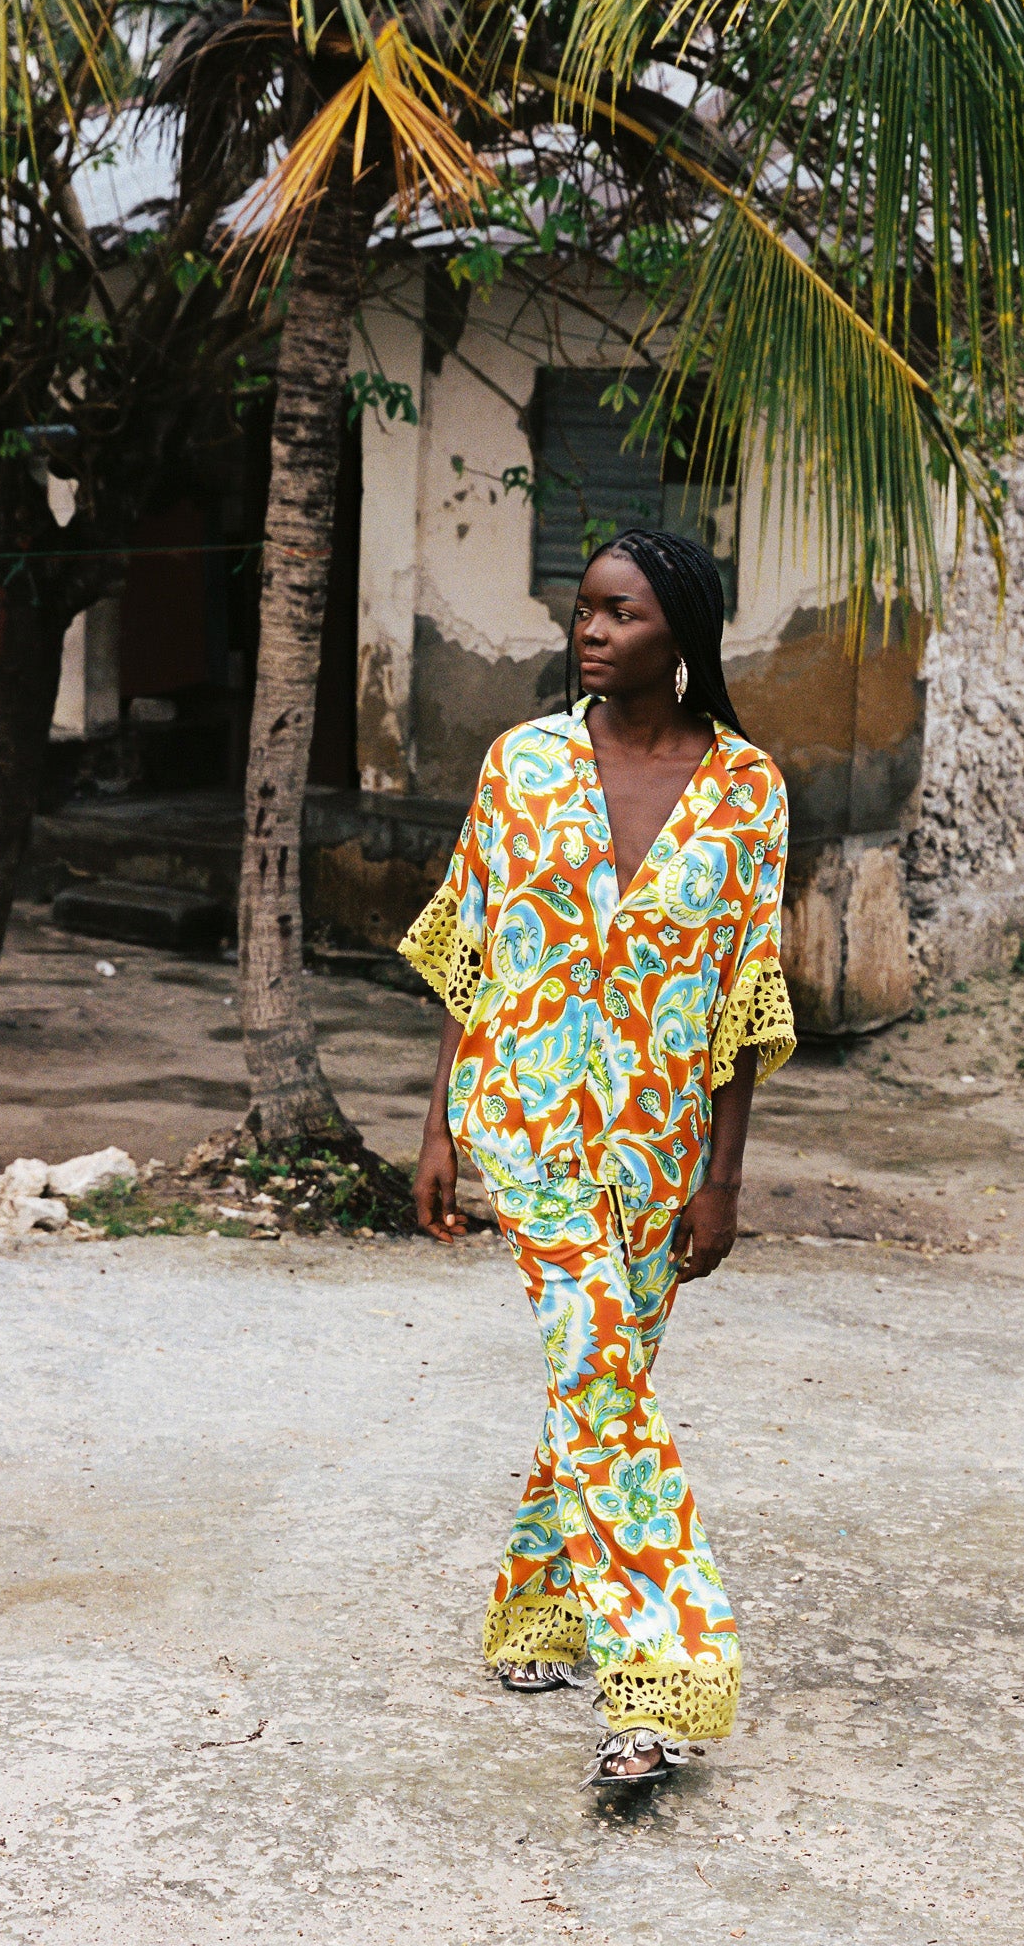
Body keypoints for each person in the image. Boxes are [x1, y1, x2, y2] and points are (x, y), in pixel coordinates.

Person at [402, 528, 796, 1788]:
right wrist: (439, 1122)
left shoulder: (749, 792)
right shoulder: (521, 764)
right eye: (583, 610)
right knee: (597, 1371)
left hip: (660, 1145)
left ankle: (534, 1610)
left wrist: (721, 1176)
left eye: (619, 613)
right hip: (525, 1120)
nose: (590, 631)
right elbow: (474, 946)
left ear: (679, 630)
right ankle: (662, 1680)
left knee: (598, 1380)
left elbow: (746, 996)